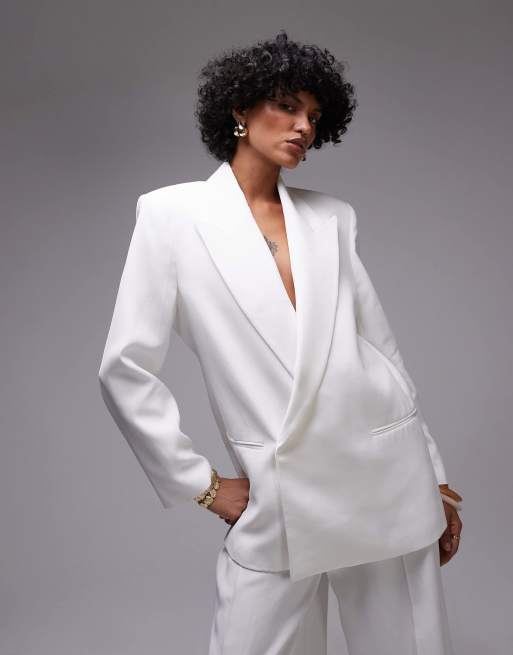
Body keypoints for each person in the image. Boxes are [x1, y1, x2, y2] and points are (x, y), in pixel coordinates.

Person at [98, 30, 463, 654]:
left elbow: (382, 354)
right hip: (280, 495)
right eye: (288, 106)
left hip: (383, 476)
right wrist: (201, 484)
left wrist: (432, 477)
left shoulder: (333, 218)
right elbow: (124, 367)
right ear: (240, 109)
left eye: (315, 116)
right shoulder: (172, 217)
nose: (303, 127)